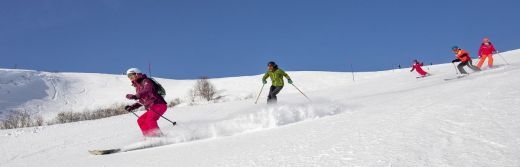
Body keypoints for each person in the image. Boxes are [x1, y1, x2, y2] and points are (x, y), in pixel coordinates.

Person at [124, 68, 168, 137]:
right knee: (141, 120)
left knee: (150, 119)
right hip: (152, 107)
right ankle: (149, 137)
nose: (130, 78)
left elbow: (147, 90)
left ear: (137, 74)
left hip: (159, 104)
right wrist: (132, 107)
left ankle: (158, 136)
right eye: (129, 76)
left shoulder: (146, 81)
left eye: (132, 75)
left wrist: (136, 96)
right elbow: (141, 100)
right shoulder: (138, 87)